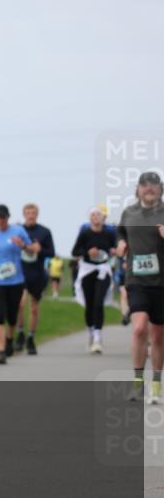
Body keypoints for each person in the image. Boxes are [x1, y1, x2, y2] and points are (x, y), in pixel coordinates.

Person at [115, 171, 164, 404]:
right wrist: (121, 243)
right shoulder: (129, 213)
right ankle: (137, 384)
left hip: (161, 282)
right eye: (145, 185)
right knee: (139, 328)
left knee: (158, 336)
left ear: (160, 189)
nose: (149, 188)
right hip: (136, 280)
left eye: (154, 185)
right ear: (138, 189)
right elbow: (120, 233)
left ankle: (156, 384)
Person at [0, 204, 37, 364]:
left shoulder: (18, 231)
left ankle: (9, 338)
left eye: (3, 217)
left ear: (8, 217)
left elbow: (32, 249)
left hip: (15, 282)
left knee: (12, 317)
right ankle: (0, 351)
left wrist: (23, 245)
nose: (1, 220)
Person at [71, 207, 118, 354]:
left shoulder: (109, 233)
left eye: (98, 214)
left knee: (98, 303)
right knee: (90, 304)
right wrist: (87, 252)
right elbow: (75, 252)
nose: (96, 217)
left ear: (103, 217)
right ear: (89, 218)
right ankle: (90, 332)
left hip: (103, 270)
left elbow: (117, 247)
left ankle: (98, 338)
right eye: (93, 215)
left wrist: (114, 250)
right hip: (87, 270)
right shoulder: (85, 233)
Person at [14, 203, 56, 355]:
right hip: (21, 272)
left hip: (37, 274)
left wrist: (40, 250)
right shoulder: (18, 230)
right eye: (28, 213)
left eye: (33, 213)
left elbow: (51, 253)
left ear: (37, 214)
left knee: (34, 308)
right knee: (20, 304)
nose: (31, 216)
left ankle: (31, 338)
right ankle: (20, 333)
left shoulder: (44, 232)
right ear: (24, 214)